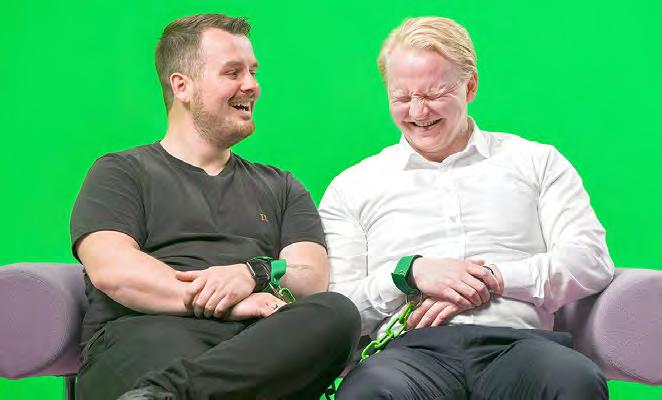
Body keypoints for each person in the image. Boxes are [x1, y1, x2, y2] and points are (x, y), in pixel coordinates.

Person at [319, 16, 614, 399]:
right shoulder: (352, 186)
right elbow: (337, 313)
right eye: (402, 98)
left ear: (470, 85)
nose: (418, 112)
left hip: (520, 345)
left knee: (574, 379)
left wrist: (493, 277)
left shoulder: (536, 162)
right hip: (406, 354)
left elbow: (590, 260)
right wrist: (408, 275)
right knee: (367, 392)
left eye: (433, 94)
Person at [70, 14, 359, 400]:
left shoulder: (282, 187)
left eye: (253, 71)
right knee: (167, 350)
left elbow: (310, 276)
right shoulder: (121, 172)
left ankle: (169, 395)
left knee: (337, 313)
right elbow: (114, 271)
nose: (252, 85)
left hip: (253, 350)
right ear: (182, 86)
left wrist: (253, 273)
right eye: (232, 72)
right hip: (146, 334)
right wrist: (228, 303)